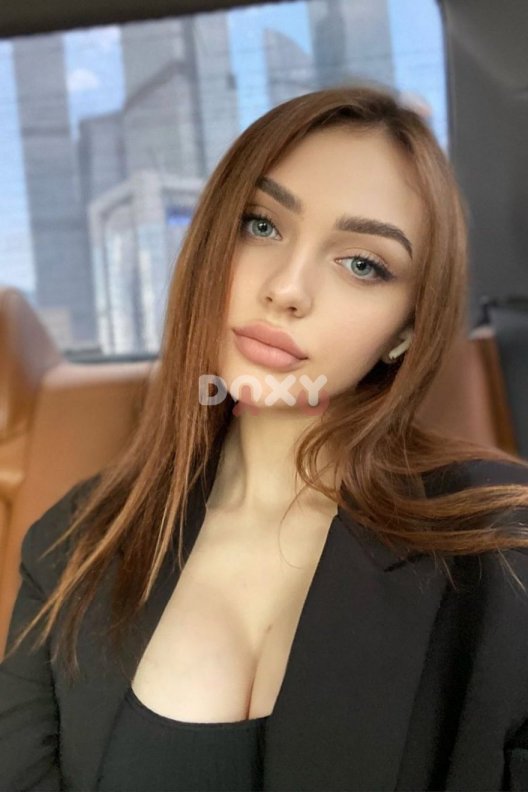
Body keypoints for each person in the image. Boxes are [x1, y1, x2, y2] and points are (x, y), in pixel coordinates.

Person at [2, 83, 528, 792]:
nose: (287, 288)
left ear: (405, 331)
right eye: (261, 225)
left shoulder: (504, 549)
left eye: (363, 264)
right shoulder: (71, 545)